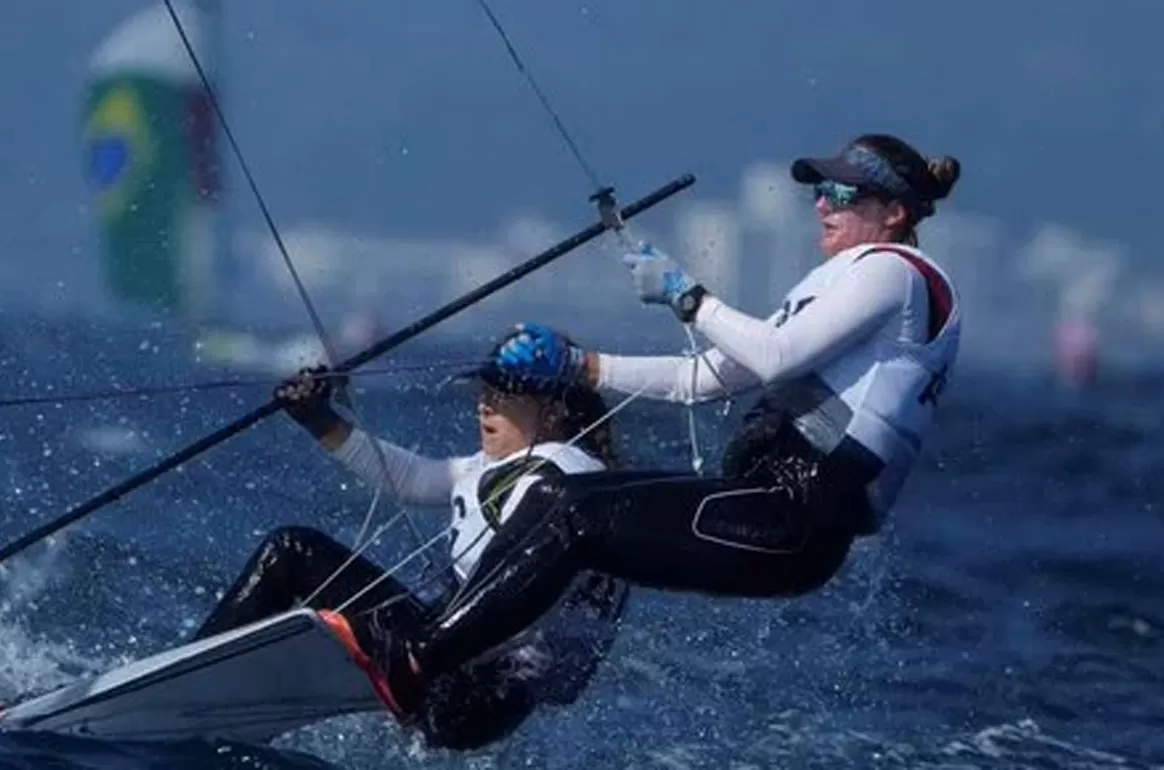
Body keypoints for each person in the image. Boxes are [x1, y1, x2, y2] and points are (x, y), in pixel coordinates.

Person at [361, 132, 964, 696]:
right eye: (819, 191)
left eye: (843, 193)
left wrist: (686, 295)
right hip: (764, 498)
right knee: (559, 494)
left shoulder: (894, 272)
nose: (822, 204)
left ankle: (422, 659)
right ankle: (440, 637)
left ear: (895, 212)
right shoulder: (844, 282)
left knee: (574, 515)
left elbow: (776, 358)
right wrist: (580, 364)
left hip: (795, 520)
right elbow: (704, 379)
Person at [191, 331, 631, 749]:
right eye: (483, 392)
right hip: (466, 694)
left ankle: (190, 678)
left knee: (293, 552)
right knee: (315, 580)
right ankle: (231, 695)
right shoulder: (545, 471)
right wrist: (319, 419)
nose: (484, 407)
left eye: (503, 396)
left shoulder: (560, 474)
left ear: (552, 411)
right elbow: (419, 479)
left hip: (459, 688)